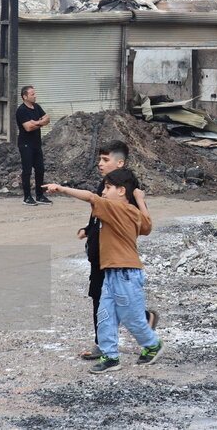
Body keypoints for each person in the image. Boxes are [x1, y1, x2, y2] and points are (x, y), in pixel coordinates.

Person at [44, 168, 164, 373]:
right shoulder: (133, 211)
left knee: (132, 319)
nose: (103, 192)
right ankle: (110, 356)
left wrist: (62, 189)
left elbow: (90, 197)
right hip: (112, 273)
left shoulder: (116, 208)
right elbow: (147, 226)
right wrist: (140, 199)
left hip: (125, 274)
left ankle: (153, 345)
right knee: (105, 315)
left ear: (121, 191)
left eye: (108, 188)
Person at [77, 140, 158, 361]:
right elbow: (98, 214)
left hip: (114, 258)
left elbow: (143, 223)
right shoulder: (105, 186)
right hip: (99, 253)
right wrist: (88, 229)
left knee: (110, 301)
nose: (100, 164)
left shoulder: (127, 191)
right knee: (103, 298)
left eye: (106, 160)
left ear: (120, 163)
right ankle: (107, 344)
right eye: (100, 160)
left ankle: (106, 345)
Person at [16, 85, 51, 205]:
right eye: (32, 94)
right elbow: (28, 128)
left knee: (40, 169)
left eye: (34, 93)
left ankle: (40, 195)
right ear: (25, 97)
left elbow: (47, 118)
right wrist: (41, 123)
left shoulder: (36, 107)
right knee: (27, 171)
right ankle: (27, 197)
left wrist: (36, 122)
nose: (35, 96)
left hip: (36, 144)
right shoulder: (21, 110)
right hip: (25, 145)